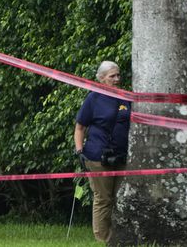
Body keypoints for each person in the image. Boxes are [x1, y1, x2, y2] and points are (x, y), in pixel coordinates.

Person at [73, 61, 131, 242]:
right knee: (103, 199)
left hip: (121, 156)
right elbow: (80, 127)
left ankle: (118, 237)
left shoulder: (125, 97)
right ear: (101, 78)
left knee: (119, 198)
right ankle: (103, 239)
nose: (117, 79)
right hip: (98, 156)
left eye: (118, 75)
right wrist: (79, 150)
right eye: (112, 76)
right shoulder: (93, 98)